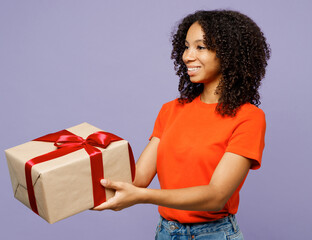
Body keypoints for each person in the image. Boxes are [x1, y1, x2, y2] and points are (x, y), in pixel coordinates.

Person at [94, 10, 270, 240]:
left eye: (200, 47)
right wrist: (86, 186)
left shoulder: (248, 117)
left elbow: (216, 196)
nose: (187, 56)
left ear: (229, 54)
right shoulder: (171, 110)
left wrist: (141, 196)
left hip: (214, 234)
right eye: (186, 46)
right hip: (167, 232)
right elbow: (137, 179)